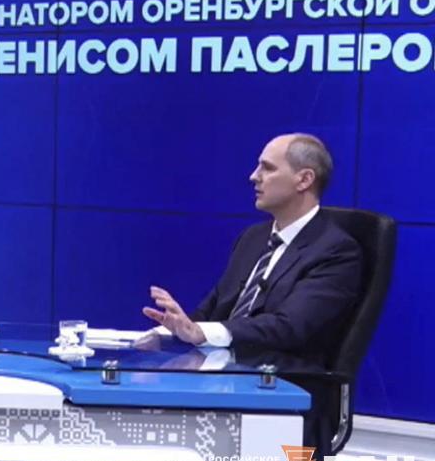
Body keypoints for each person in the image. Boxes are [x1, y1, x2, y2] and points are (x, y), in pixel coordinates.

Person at [137, 133, 362, 353]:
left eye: (268, 168)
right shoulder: (253, 237)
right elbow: (211, 311)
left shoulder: (336, 252)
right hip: (218, 366)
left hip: (278, 372)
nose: (254, 176)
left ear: (304, 180)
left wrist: (199, 332)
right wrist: (168, 331)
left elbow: (288, 327)